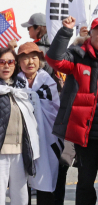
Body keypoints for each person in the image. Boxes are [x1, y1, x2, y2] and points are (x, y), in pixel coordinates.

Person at [45, 16, 98, 205]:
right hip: (87, 136)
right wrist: (66, 31)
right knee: (85, 182)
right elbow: (54, 60)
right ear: (90, 36)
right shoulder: (78, 56)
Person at [15, 42, 61, 205]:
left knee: (45, 177)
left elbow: (54, 109)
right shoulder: (14, 84)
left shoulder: (48, 82)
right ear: (18, 62)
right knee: (21, 182)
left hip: (46, 139)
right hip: (20, 139)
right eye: (25, 58)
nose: (30, 62)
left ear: (40, 60)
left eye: (33, 57)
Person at [0, 46, 40, 205]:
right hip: (1, 152)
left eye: (10, 62)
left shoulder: (21, 90)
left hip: (19, 152)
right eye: (2, 62)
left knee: (21, 198)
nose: (6, 66)